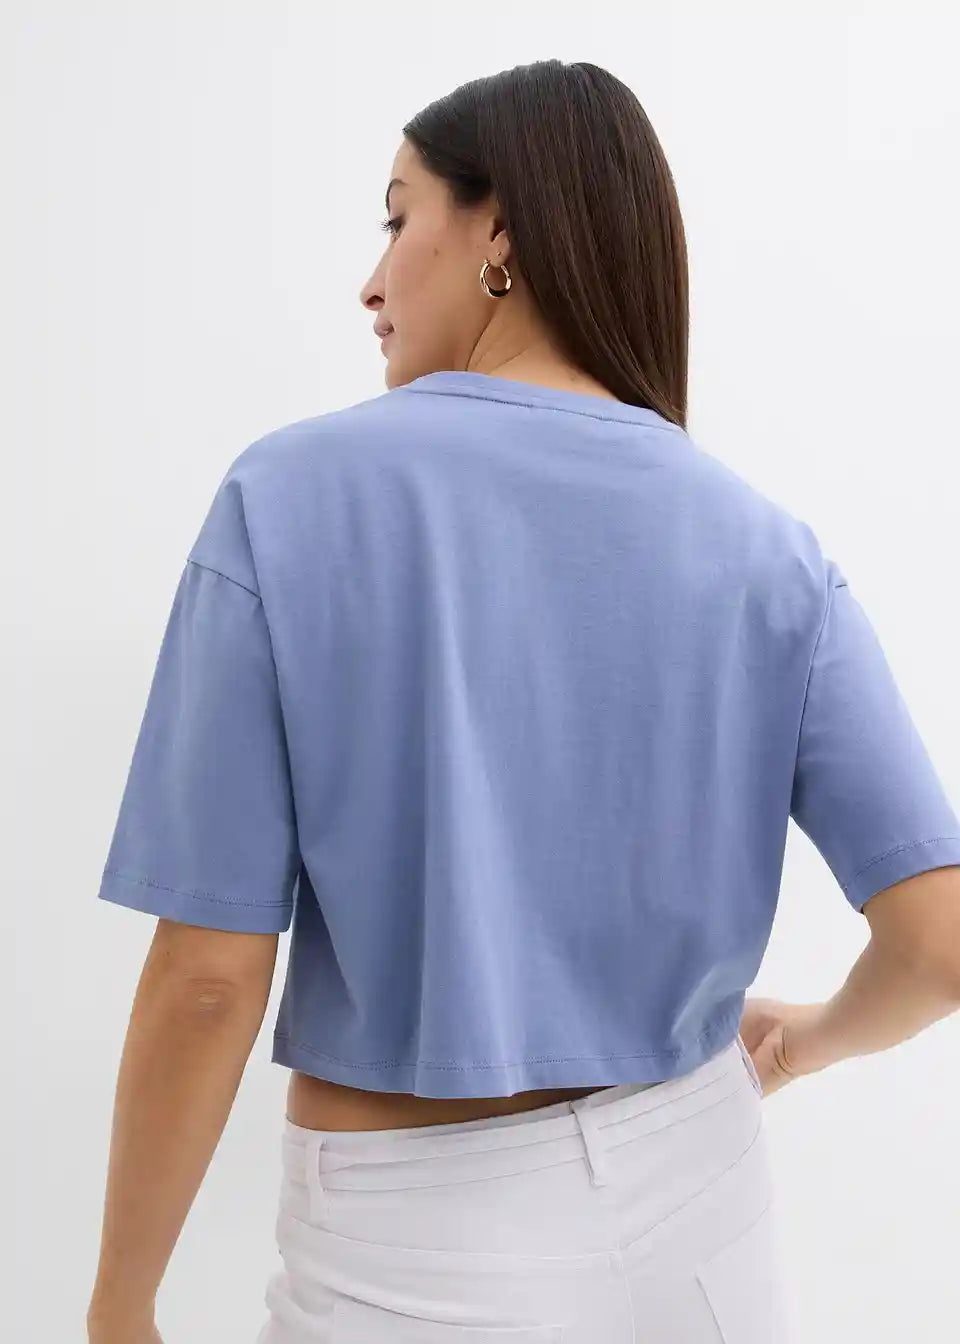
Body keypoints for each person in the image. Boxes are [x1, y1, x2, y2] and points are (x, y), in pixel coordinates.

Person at [87, 59, 960, 1344]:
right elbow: (939, 944)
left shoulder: (288, 500)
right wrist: (808, 1042)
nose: (371, 281)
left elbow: (210, 979)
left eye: (398, 218)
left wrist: (119, 1306)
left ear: (499, 229)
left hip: (415, 1248)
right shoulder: (766, 548)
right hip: (705, 1197)